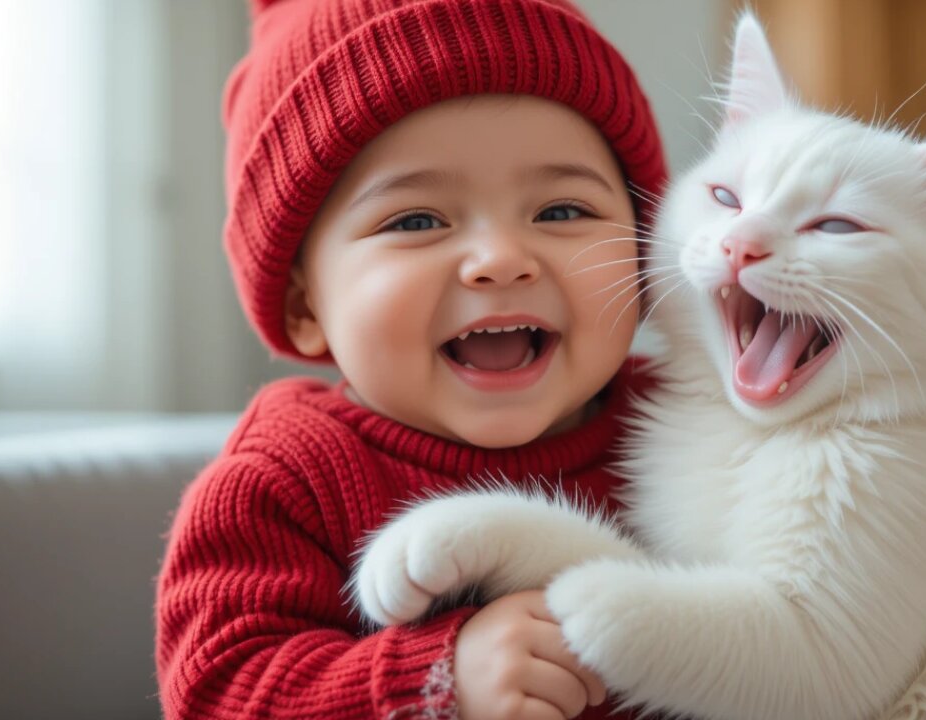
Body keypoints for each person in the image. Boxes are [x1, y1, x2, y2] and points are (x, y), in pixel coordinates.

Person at [154, 1, 667, 718]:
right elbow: (220, 693)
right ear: (305, 306)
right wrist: (441, 678)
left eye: (561, 211)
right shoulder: (284, 483)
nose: (501, 259)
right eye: (417, 221)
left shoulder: (690, 417)